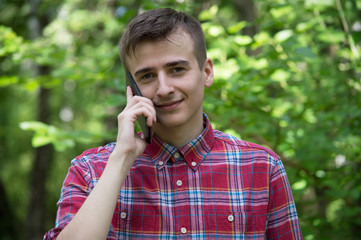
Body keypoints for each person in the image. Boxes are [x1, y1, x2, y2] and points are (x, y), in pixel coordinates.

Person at [44, 8, 302, 240]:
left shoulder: (263, 168)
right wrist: (121, 158)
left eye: (177, 69)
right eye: (147, 76)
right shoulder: (90, 171)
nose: (164, 89)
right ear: (131, 89)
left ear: (207, 72)